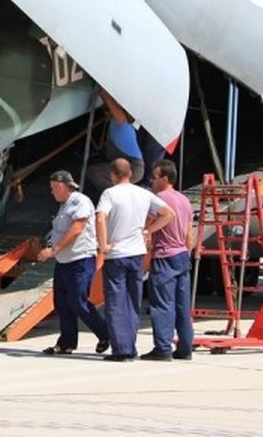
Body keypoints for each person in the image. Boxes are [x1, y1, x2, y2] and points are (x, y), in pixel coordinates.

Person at [95, 158, 174, 361]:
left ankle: (121, 349)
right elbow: (168, 213)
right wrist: (148, 231)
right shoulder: (144, 193)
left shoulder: (109, 194)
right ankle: (130, 346)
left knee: (115, 301)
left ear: (112, 175)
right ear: (131, 173)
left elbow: (100, 217)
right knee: (132, 300)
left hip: (117, 254)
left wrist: (103, 245)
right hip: (137, 253)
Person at [35, 170, 110, 356]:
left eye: (53, 188)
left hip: (80, 260)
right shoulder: (63, 206)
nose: (51, 192)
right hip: (64, 261)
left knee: (78, 300)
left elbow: (77, 228)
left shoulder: (80, 201)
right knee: (61, 302)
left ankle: (105, 333)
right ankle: (66, 343)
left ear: (61, 186)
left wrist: (54, 250)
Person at [144, 159, 196, 361]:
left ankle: (163, 348)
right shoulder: (184, 200)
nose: (152, 180)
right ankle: (185, 347)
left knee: (162, 303)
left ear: (164, 178)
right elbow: (189, 235)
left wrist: (146, 235)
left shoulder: (159, 199)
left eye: (154, 177)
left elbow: (148, 222)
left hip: (165, 255)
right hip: (182, 254)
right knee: (182, 305)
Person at [86, 88, 146, 192]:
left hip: (133, 167)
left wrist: (104, 92)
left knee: (95, 172)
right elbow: (110, 108)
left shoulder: (122, 122)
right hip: (130, 165)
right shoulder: (119, 122)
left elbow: (114, 109)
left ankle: (117, 195)